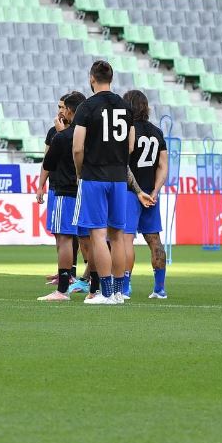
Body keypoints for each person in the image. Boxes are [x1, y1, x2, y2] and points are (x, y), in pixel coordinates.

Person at [72, 60, 136, 305]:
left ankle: (106, 292)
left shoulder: (87, 107)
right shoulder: (124, 107)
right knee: (117, 235)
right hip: (119, 177)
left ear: (92, 78)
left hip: (95, 176)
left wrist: (80, 171)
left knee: (98, 234)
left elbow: (78, 147)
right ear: (111, 78)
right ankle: (119, 292)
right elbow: (130, 145)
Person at [36, 92, 90, 301]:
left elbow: (48, 161)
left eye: (63, 107)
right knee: (88, 238)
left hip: (65, 190)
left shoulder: (62, 134)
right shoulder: (89, 131)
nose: (60, 111)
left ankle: (63, 288)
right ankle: (93, 284)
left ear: (70, 110)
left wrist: (61, 136)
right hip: (86, 190)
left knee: (66, 237)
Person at [122, 90, 169, 300]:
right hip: (151, 194)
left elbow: (123, 163)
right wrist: (155, 190)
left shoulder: (127, 130)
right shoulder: (157, 132)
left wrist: (139, 190)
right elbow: (163, 165)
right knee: (155, 241)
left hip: (130, 192)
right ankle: (159, 289)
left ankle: (125, 286)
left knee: (125, 240)